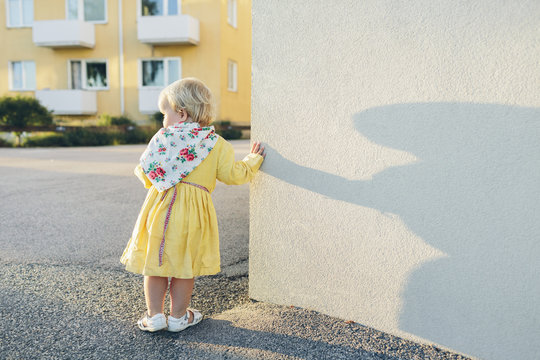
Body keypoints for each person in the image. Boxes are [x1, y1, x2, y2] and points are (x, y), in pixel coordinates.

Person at [120, 77, 265, 332]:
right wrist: (253, 160)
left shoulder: (162, 138)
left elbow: (145, 173)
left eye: (165, 113)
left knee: (156, 263)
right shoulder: (216, 144)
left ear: (181, 113)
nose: (163, 120)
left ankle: (154, 316)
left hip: (159, 209)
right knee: (183, 266)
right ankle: (178, 317)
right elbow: (233, 175)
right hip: (193, 215)